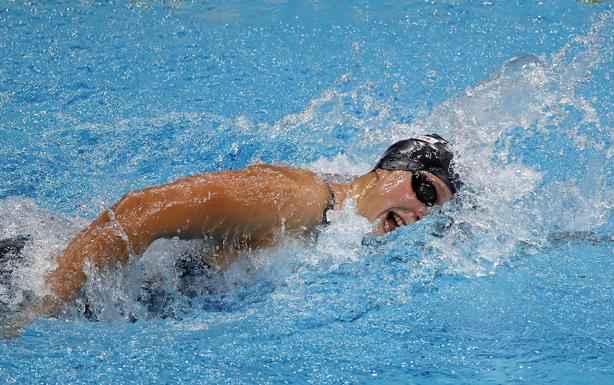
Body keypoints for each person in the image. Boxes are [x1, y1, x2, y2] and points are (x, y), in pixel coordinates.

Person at [2, 133, 460, 322]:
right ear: (386, 170)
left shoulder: (340, 229)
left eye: (435, 211)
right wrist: (43, 304)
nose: (422, 212)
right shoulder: (299, 201)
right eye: (424, 190)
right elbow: (143, 209)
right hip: (26, 277)